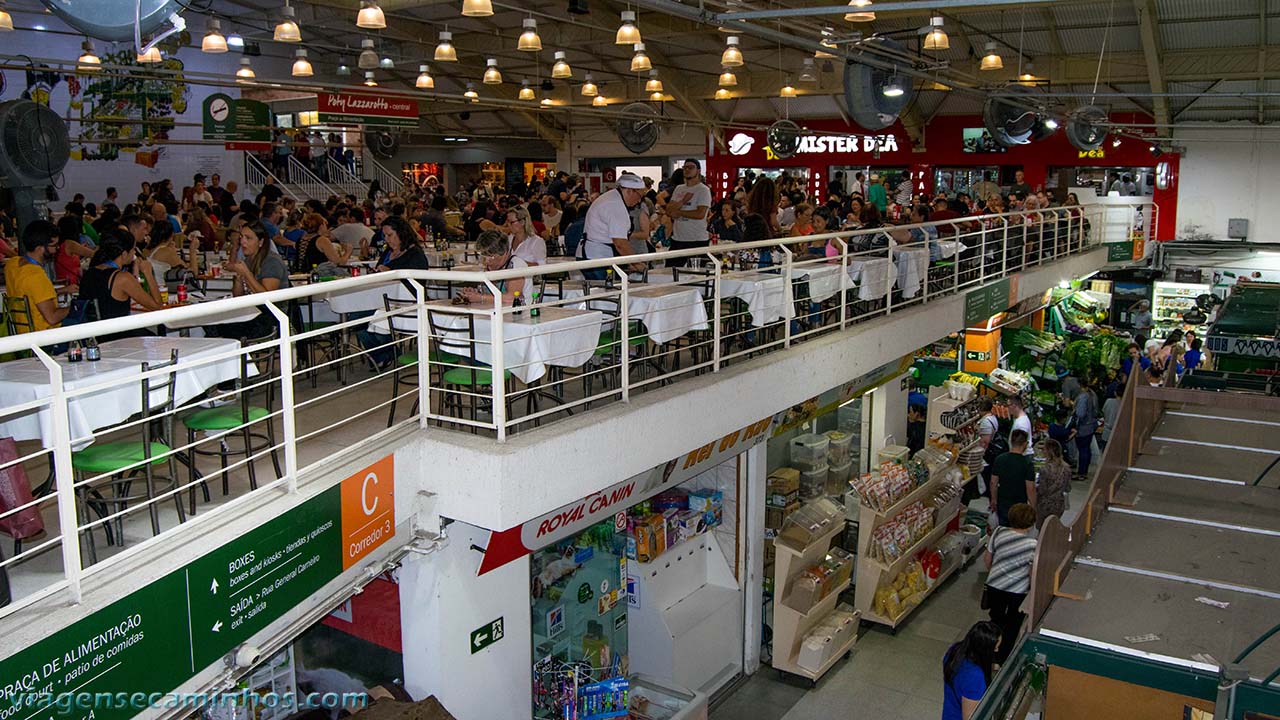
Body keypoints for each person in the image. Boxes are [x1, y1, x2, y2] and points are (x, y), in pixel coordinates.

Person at [212, 222, 291, 340]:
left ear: (261, 242)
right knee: (213, 320)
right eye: (241, 237)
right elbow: (238, 296)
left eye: (248, 238)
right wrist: (239, 279)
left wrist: (247, 274)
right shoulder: (248, 260)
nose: (243, 242)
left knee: (217, 326)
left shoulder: (272, 262)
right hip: (252, 313)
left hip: (270, 318)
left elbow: (267, 298)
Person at [77, 230, 163, 335]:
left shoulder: (89, 273)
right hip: (118, 336)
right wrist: (148, 273)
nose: (134, 253)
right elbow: (157, 306)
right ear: (124, 254)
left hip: (93, 335)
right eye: (133, 250)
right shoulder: (122, 278)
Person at [984, 503, 1037, 664]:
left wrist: (996, 574)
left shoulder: (999, 532)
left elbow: (987, 559)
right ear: (1031, 524)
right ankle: (1001, 659)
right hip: (1017, 592)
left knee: (995, 620)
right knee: (1012, 626)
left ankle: (987, 653)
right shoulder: (1032, 546)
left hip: (994, 586)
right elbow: (1031, 573)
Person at [4, 220, 77, 334]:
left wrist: (62, 290)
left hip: (22, 333)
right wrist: (77, 306)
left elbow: (33, 295)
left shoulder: (12, 264)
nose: (57, 249)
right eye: (54, 245)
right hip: (44, 337)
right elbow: (52, 318)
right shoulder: (35, 274)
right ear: (40, 248)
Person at [578, 172, 647, 280]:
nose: (639, 201)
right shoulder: (615, 205)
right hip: (596, 257)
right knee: (603, 293)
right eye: (640, 196)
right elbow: (620, 243)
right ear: (629, 191)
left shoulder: (612, 197)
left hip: (596, 255)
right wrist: (638, 264)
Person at [942, 621, 1002, 720]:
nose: (997, 651)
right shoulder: (975, 677)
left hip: (950, 712)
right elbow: (969, 717)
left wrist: (992, 666)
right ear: (984, 650)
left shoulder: (954, 651)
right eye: (995, 648)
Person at [459, 230, 535, 306]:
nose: (486, 261)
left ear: (504, 253)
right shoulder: (488, 265)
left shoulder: (517, 265)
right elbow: (488, 294)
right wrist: (474, 293)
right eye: (483, 255)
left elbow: (511, 298)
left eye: (491, 256)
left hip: (519, 313)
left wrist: (481, 298)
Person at [664, 159, 712, 267]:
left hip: (696, 240)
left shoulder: (703, 190)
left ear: (698, 170)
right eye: (685, 168)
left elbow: (700, 214)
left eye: (691, 167)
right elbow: (668, 210)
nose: (687, 170)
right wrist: (682, 202)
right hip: (678, 239)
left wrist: (679, 212)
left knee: (697, 275)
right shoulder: (679, 188)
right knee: (671, 272)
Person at [991, 430, 1035, 527]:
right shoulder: (1027, 464)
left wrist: (994, 499)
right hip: (1019, 505)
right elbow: (1030, 488)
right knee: (1017, 529)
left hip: (1002, 501)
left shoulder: (1000, 459)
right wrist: (1033, 506)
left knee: (1003, 529)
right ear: (1025, 444)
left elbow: (993, 482)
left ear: (1011, 441)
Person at [1036, 439, 1072, 528]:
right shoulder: (1067, 468)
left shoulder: (1044, 469)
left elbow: (1042, 490)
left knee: (1042, 529)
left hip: (1044, 505)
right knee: (1052, 528)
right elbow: (1068, 488)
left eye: (1044, 449)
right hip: (1059, 504)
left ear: (1048, 451)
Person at [1070, 376, 1099, 479]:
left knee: (1083, 449)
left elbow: (1080, 414)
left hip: (1083, 427)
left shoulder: (1083, 397)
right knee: (1086, 449)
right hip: (1091, 425)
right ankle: (1084, 471)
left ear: (1079, 385)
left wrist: (1074, 408)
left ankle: (1081, 472)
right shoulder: (1093, 394)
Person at [1099, 382, 1123, 452]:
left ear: (1115, 392)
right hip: (1119, 435)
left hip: (1106, 434)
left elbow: (1104, 413)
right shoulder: (1125, 405)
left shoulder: (1108, 401)